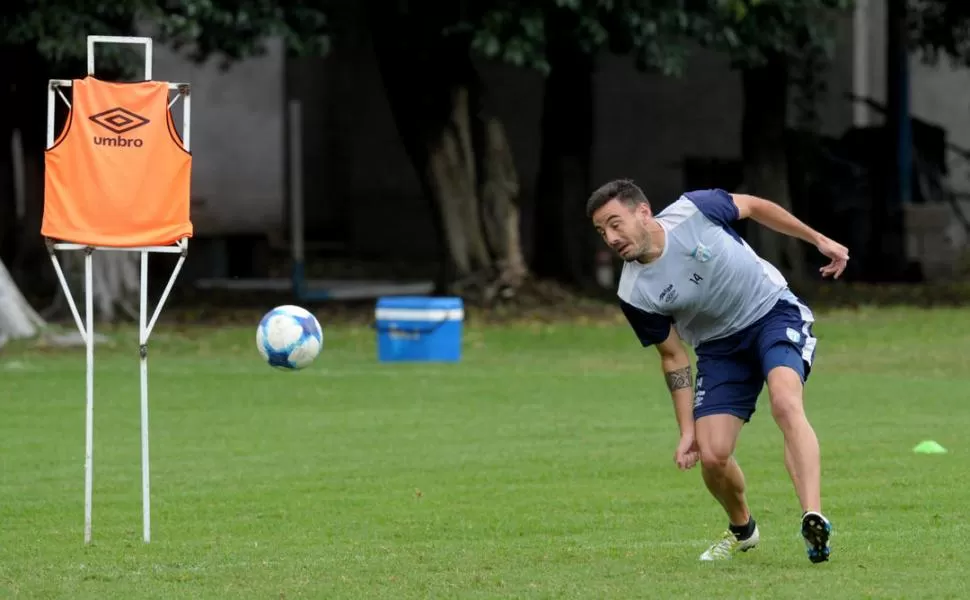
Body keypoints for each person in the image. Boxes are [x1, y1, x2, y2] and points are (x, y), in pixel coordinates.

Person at [586, 179, 849, 564]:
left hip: (771, 313)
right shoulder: (634, 293)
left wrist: (817, 239)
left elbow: (756, 206)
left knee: (785, 402)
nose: (610, 237)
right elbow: (673, 357)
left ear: (643, 212)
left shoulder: (695, 210)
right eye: (601, 231)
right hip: (718, 348)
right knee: (712, 456)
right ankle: (743, 529)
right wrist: (686, 430)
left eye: (615, 223)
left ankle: (813, 517)